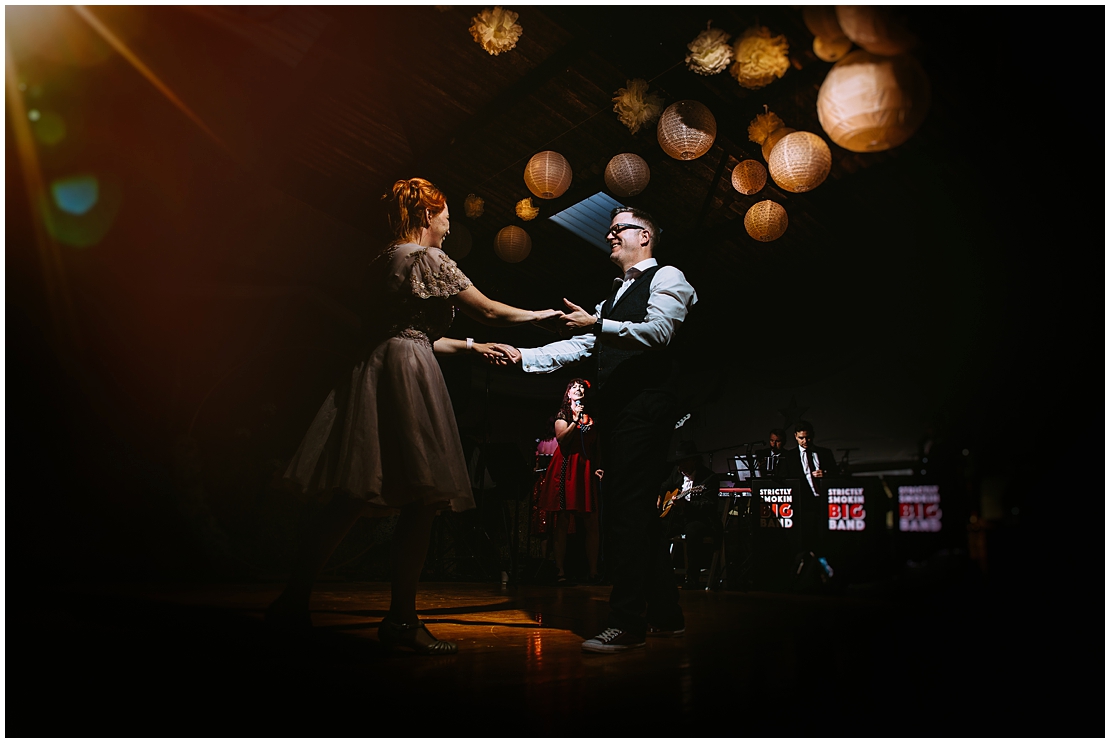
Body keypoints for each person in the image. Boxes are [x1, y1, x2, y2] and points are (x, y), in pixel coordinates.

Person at [266, 177, 561, 655]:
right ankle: (402, 619)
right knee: (422, 499)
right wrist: (541, 316)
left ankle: (292, 600)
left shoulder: (384, 260)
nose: (448, 228)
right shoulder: (426, 258)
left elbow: (410, 330)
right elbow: (488, 310)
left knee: (351, 492)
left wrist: (470, 347)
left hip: (377, 368)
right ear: (427, 215)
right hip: (407, 373)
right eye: (446, 218)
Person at [490, 206, 698, 653]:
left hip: (647, 408)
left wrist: (598, 323)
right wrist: (521, 358)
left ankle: (626, 623)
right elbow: (576, 346)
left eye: (617, 229)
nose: (608, 236)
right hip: (621, 412)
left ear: (644, 236)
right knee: (638, 514)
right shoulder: (612, 297)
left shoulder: (668, 277)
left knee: (624, 513)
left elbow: (659, 331)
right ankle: (666, 614)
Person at [535, 378, 601, 585]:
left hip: (585, 467)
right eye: (575, 387)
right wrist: (576, 421)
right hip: (566, 466)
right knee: (563, 519)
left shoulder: (592, 417)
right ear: (568, 394)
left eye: (581, 387)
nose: (579, 389)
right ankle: (559, 570)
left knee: (591, 520)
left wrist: (599, 465)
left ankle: (593, 572)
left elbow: (596, 444)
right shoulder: (563, 415)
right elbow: (562, 439)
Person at [657, 441, 722, 590]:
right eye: (679, 463)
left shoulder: (709, 478)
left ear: (694, 460)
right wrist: (660, 497)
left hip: (700, 518)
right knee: (658, 528)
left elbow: (709, 505)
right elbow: (665, 486)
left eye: (684, 462)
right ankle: (661, 573)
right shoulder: (677, 472)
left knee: (693, 532)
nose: (681, 467)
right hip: (679, 517)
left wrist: (686, 505)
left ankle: (692, 579)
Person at [781, 420, 840, 498]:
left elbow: (836, 474)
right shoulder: (788, 456)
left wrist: (826, 473)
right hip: (801, 500)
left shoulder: (825, 453)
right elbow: (784, 480)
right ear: (795, 436)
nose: (805, 441)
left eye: (808, 437)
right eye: (801, 438)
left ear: (813, 435)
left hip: (825, 497)